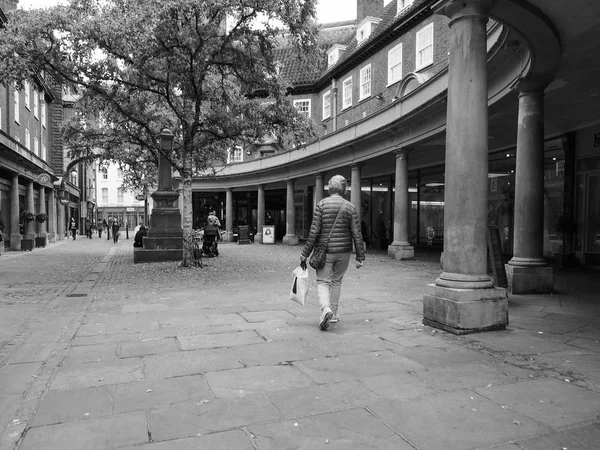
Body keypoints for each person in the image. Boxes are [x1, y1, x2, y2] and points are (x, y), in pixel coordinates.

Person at [300, 175, 365, 331]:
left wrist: (305, 253)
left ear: (329, 187)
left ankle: (325, 309)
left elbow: (314, 231)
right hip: (344, 251)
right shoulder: (350, 207)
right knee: (336, 281)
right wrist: (360, 256)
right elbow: (357, 232)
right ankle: (334, 314)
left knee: (323, 281)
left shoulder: (321, 204)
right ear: (344, 189)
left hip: (325, 251)